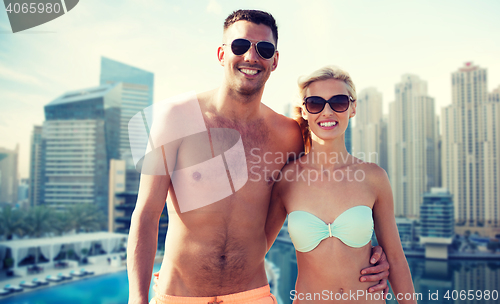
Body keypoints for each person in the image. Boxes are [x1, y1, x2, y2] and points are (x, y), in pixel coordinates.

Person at [127, 10, 390, 304]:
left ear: (274, 60)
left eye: (263, 49)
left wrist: (369, 253)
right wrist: (137, 299)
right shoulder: (175, 118)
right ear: (221, 53)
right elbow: (146, 216)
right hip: (180, 296)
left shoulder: (289, 135)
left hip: (253, 295)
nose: (251, 56)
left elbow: (324, 191)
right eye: (240, 46)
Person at [266, 66, 416, 303]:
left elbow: (396, 259)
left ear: (353, 108)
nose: (327, 112)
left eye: (338, 102)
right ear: (305, 111)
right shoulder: (286, 179)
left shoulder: (374, 177)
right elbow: (257, 251)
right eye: (315, 103)